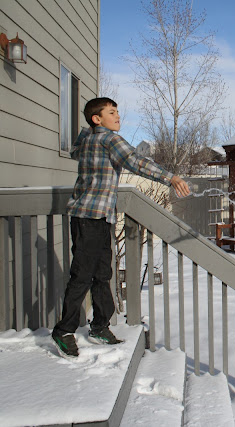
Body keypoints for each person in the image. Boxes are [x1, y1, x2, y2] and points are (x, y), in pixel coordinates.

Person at [51, 97, 190, 358]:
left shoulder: (88, 139)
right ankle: (64, 331)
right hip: (90, 217)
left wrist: (88, 130)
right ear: (97, 119)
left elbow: (75, 151)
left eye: (117, 112)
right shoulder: (110, 140)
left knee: (103, 273)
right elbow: (136, 162)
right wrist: (170, 177)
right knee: (83, 275)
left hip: (96, 217)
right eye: (111, 112)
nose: (117, 116)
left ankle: (100, 326)